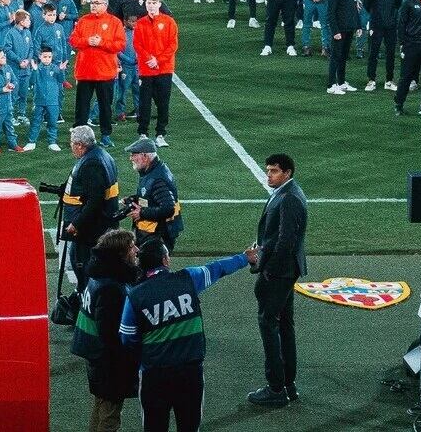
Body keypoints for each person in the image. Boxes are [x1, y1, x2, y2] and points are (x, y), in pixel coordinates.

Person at [120, 238, 259, 432]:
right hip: (190, 371)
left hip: (154, 374)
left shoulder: (135, 295)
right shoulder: (188, 278)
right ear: (165, 260)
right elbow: (217, 268)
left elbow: (127, 337)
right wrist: (245, 258)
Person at [248, 152, 307, 409]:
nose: (268, 175)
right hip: (285, 270)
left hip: (279, 272)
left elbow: (286, 241)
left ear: (287, 172)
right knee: (284, 325)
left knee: (269, 323)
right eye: (268, 170)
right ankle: (288, 384)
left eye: (273, 171)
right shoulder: (288, 193)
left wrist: (267, 268)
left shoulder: (289, 198)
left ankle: (275, 388)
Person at [71, 229, 141, 432]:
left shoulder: (100, 275)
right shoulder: (111, 287)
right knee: (110, 414)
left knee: (101, 405)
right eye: (131, 247)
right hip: (107, 360)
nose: (136, 250)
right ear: (120, 253)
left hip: (95, 354)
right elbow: (110, 334)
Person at [61, 125, 121, 301]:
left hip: (91, 229)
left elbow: (95, 200)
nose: (70, 146)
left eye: (72, 143)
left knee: (85, 265)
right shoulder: (102, 155)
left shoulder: (91, 163)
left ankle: (88, 303)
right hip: (99, 225)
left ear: (80, 145)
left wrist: (77, 223)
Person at [71, 0, 126, 144]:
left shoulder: (114, 22)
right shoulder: (83, 20)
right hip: (85, 72)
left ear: (105, 5)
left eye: (97, 3)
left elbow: (120, 44)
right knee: (81, 107)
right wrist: (87, 41)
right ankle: (79, 138)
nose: (93, 5)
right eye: (92, 2)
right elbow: (73, 40)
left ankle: (106, 135)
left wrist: (102, 42)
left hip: (105, 73)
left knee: (105, 107)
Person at [134, 0, 178, 146]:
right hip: (146, 70)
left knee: (163, 102)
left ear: (159, 4)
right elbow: (137, 44)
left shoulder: (169, 22)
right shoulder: (140, 23)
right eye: (149, 4)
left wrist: (157, 60)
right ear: (145, 4)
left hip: (164, 69)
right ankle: (143, 133)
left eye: (154, 3)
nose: (151, 6)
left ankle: (160, 133)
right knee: (144, 102)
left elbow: (173, 45)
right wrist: (149, 59)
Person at [126, 137, 182, 251]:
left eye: (134, 155)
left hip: (158, 235)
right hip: (153, 233)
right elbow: (152, 196)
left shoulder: (157, 179)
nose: (130, 158)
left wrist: (142, 212)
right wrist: (136, 199)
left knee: (152, 267)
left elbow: (168, 208)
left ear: (145, 156)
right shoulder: (151, 170)